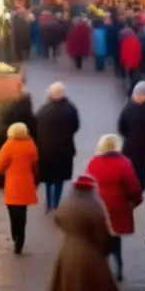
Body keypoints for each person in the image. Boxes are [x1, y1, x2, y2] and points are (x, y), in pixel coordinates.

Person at [49, 174, 122, 291]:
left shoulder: (66, 204)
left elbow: (58, 220)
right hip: (87, 250)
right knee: (84, 286)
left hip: (68, 247)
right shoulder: (94, 208)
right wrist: (104, 248)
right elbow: (101, 233)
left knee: (75, 285)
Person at [87, 133, 143, 281]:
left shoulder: (94, 162)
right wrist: (135, 202)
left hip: (98, 205)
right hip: (118, 206)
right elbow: (134, 188)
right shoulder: (124, 163)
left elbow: (88, 183)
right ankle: (118, 267)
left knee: (101, 237)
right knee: (115, 238)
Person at [0, 122, 39, 254]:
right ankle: (20, 239)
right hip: (27, 183)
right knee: (22, 213)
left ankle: (15, 237)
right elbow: (35, 161)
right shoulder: (30, 144)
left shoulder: (9, 145)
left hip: (13, 184)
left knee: (13, 213)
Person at [35, 82, 81, 212]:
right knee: (60, 178)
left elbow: (36, 126)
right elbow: (76, 126)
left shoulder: (44, 110)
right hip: (64, 149)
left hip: (46, 150)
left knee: (49, 178)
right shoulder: (70, 108)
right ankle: (56, 202)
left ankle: (49, 202)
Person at [119, 25, 142, 95]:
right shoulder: (136, 40)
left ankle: (130, 91)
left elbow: (123, 53)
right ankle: (133, 90)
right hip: (135, 62)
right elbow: (139, 51)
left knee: (129, 77)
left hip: (127, 63)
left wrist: (123, 62)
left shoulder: (124, 41)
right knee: (133, 77)